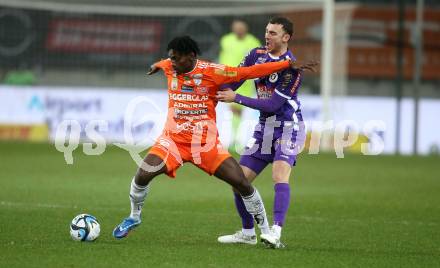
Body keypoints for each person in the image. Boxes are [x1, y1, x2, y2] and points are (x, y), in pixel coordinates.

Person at [112, 36, 303, 247]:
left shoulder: (213, 72)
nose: (172, 63)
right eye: (170, 59)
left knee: (241, 183)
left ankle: (266, 233)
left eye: (176, 59)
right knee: (143, 173)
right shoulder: (169, 66)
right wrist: (156, 65)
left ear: (191, 56)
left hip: (205, 145)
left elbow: (247, 73)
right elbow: (162, 62)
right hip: (172, 141)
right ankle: (134, 217)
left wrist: (286, 64)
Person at [216, 17, 317, 248]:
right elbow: (236, 79)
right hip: (264, 129)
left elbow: (272, 105)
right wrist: (216, 90)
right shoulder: (256, 54)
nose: (267, 36)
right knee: (238, 181)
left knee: (279, 176)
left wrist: (236, 98)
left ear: (286, 37)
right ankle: (248, 232)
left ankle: (276, 232)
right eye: (266, 32)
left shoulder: (291, 68)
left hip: (289, 127)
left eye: (273, 33)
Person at [219, 19, 261, 148]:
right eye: (236, 27)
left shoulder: (253, 42)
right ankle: (233, 138)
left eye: (241, 28)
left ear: (245, 29)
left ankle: (235, 138)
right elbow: (223, 56)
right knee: (233, 107)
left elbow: (258, 59)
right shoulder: (226, 40)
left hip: (245, 80)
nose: (238, 30)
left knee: (238, 108)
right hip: (228, 77)